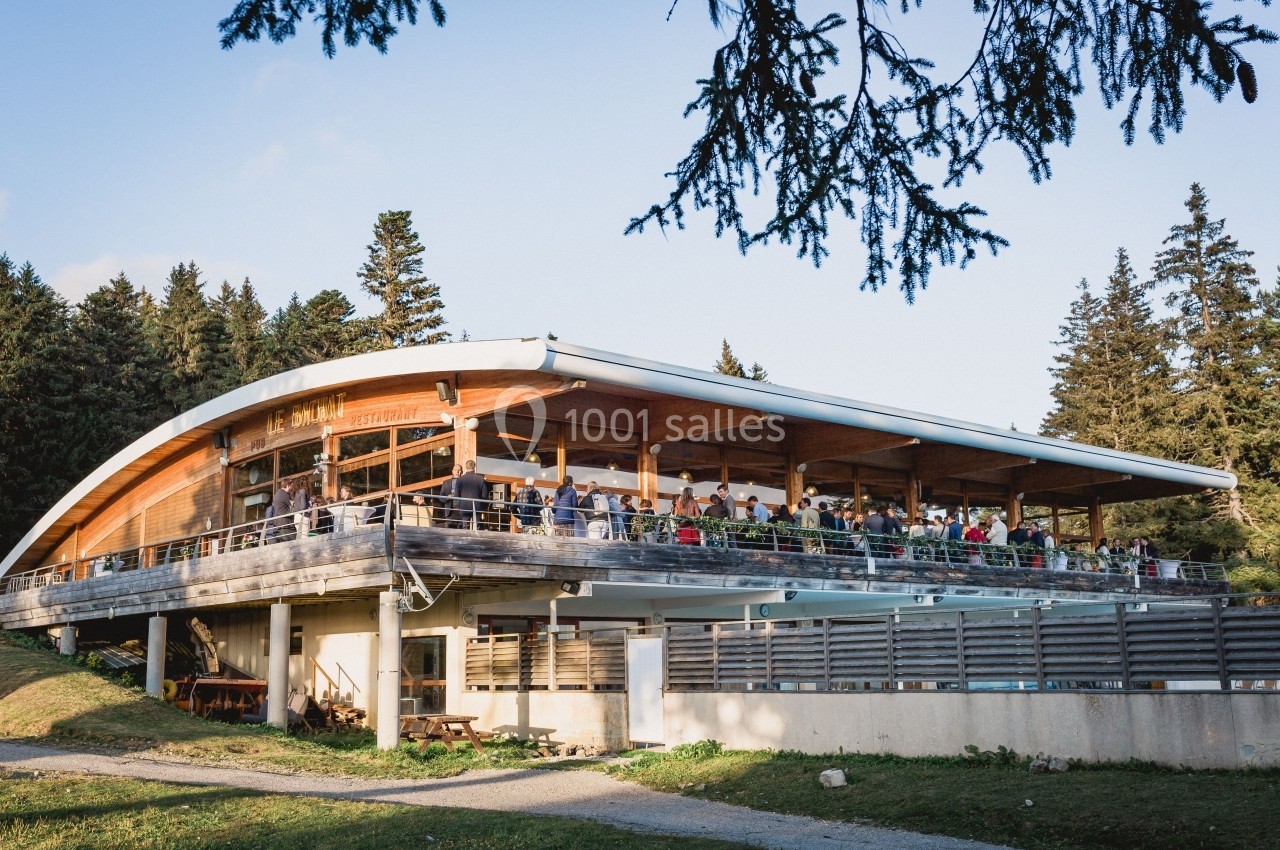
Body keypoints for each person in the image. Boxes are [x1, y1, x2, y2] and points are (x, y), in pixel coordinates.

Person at [455, 460, 487, 530]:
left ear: (466, 467)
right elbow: (484, 495)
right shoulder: (481, 479)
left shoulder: (460, 479)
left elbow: (456, 495)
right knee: (477, 527)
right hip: (477, 506)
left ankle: (466, 540)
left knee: (465, 527)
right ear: (474, 467)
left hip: (464, 506)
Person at [269, 478, 297, 543]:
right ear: (288, 485)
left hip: (279, 525)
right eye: (291, 486)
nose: (292, 488)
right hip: (286, 525)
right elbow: (292, 507)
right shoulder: (285, 495)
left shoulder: (277, 494)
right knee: (294, 546)